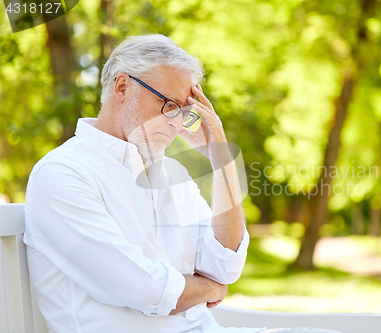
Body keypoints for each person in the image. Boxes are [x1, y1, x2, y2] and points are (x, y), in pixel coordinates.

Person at [23, 34, 340, 333]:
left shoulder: (171, 173)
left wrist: (220, 159)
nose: (177, 124)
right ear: (122, 87)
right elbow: (143, 289)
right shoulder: (63, 173)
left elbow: (225, 266)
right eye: (170, 105)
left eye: (186, 112)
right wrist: (210, 288)